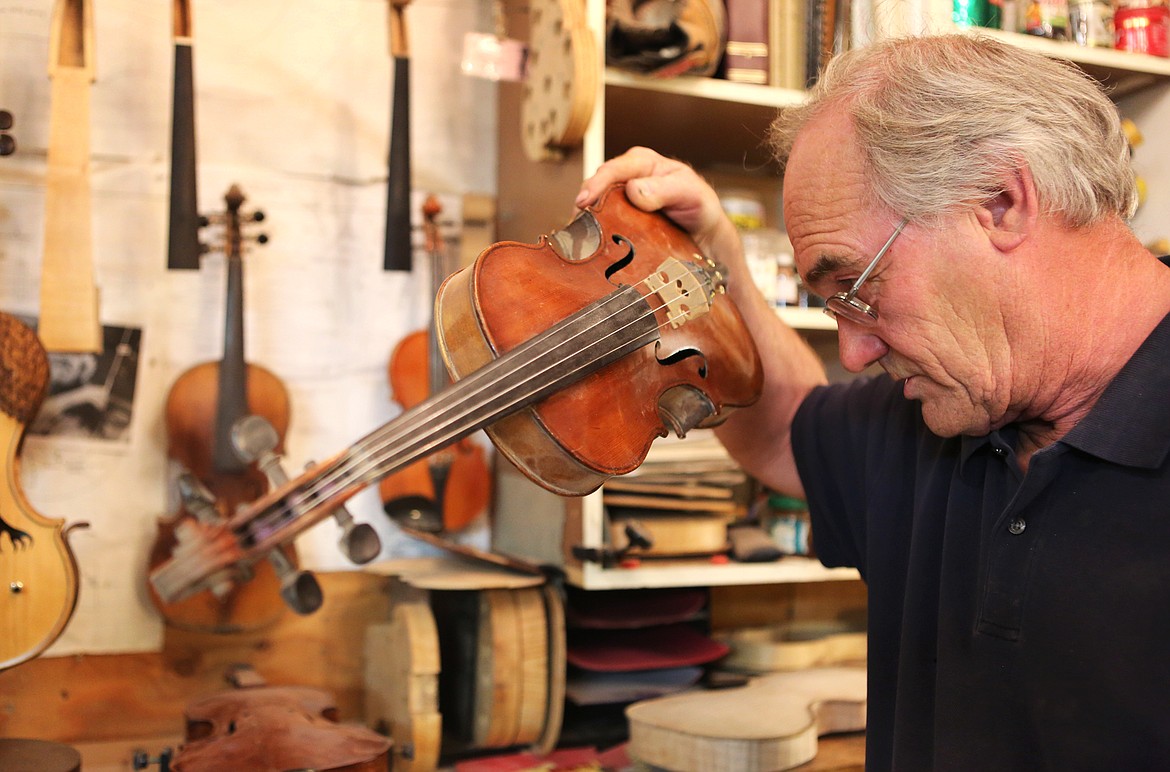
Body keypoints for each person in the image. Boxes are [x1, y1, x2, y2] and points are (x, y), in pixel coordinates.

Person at [574, 33, 1170, 771]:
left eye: (857, 289)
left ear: (1000, 202)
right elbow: (780, 430)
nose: (855, 354)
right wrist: (715, 252)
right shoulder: (939, 414)